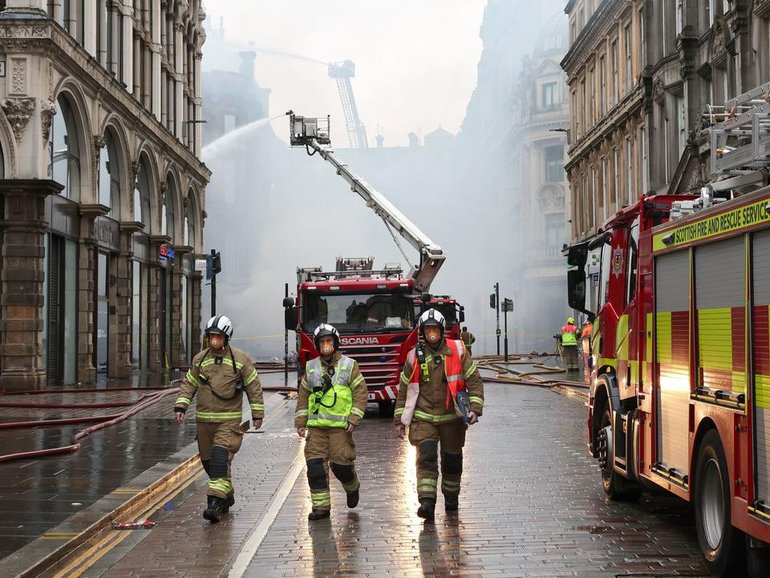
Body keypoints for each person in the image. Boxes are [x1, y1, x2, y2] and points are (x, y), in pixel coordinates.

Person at [394, 308, 484, 520]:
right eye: (428, 329)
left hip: (451, 418)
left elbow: (474, 380)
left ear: (442, 330)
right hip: (423, 418)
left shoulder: (458, 351)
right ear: (422, 332)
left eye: (435, 329)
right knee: (426, 458)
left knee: (452, 460)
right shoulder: (413, 357)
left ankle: (451, 498)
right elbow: (404, 390)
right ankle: (427, 502)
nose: (431, 333)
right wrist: (400, 420)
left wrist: (475, 408)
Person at [173, 314, 264, 523]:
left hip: (228, 423)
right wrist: (181, 405)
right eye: (211, 336)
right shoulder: (200, 359)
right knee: (209, 464)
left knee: (219, 461)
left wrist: (258, 413)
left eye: (218, 336)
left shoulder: (240, 360)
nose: (214, 340)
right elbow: (189, 384)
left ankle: (213, 504)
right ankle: (226, 496)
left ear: (226, 337)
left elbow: (253, 385)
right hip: (204, 423)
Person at [295, 323, 368, 521]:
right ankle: (321, 508)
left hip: (340, 429)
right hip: (317, 428)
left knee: (341, 467)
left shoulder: (349, 366)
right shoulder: (311, 368)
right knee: (315, 468)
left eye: (328, 341)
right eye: (322, 342)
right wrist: (301, 423)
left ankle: (352, 485)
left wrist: (354, 418)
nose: (325, 345)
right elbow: (303, 396)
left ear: (335, 343)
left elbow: (361, 392)